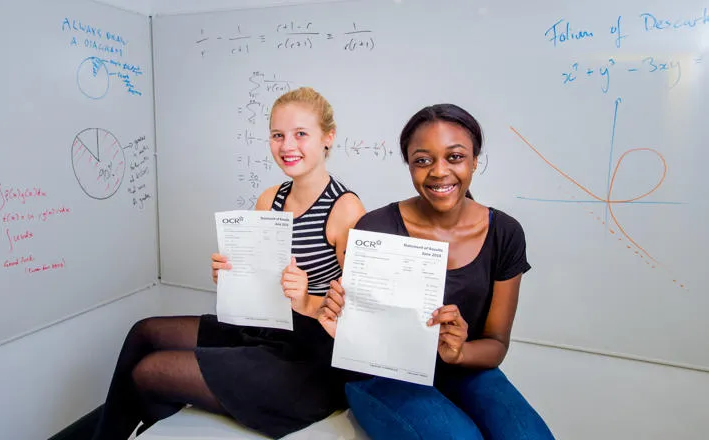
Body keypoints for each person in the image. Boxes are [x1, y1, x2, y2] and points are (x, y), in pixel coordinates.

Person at [91, 87, 366, 440]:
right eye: (277, 135)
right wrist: (232, 277)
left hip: (307, 359)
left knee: (150, 371)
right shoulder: (271, 198)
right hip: (265, 330)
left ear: (328, 138)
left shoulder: (345, 210)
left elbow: (360, 318)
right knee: (144, 331)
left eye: (301, 134)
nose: (287, 146)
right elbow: (258, 283)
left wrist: (307, 300)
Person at [317, 103, 555, 439]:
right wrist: (341, 323)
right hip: (385, 374)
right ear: (410, 166)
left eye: (455, 157)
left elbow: (497, 344)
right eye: (422, 160)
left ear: (475, 160)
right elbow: (359, 336)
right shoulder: (376, 228)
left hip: (464, 368)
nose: (439, 171)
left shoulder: (505, 233)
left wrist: (459, 353)